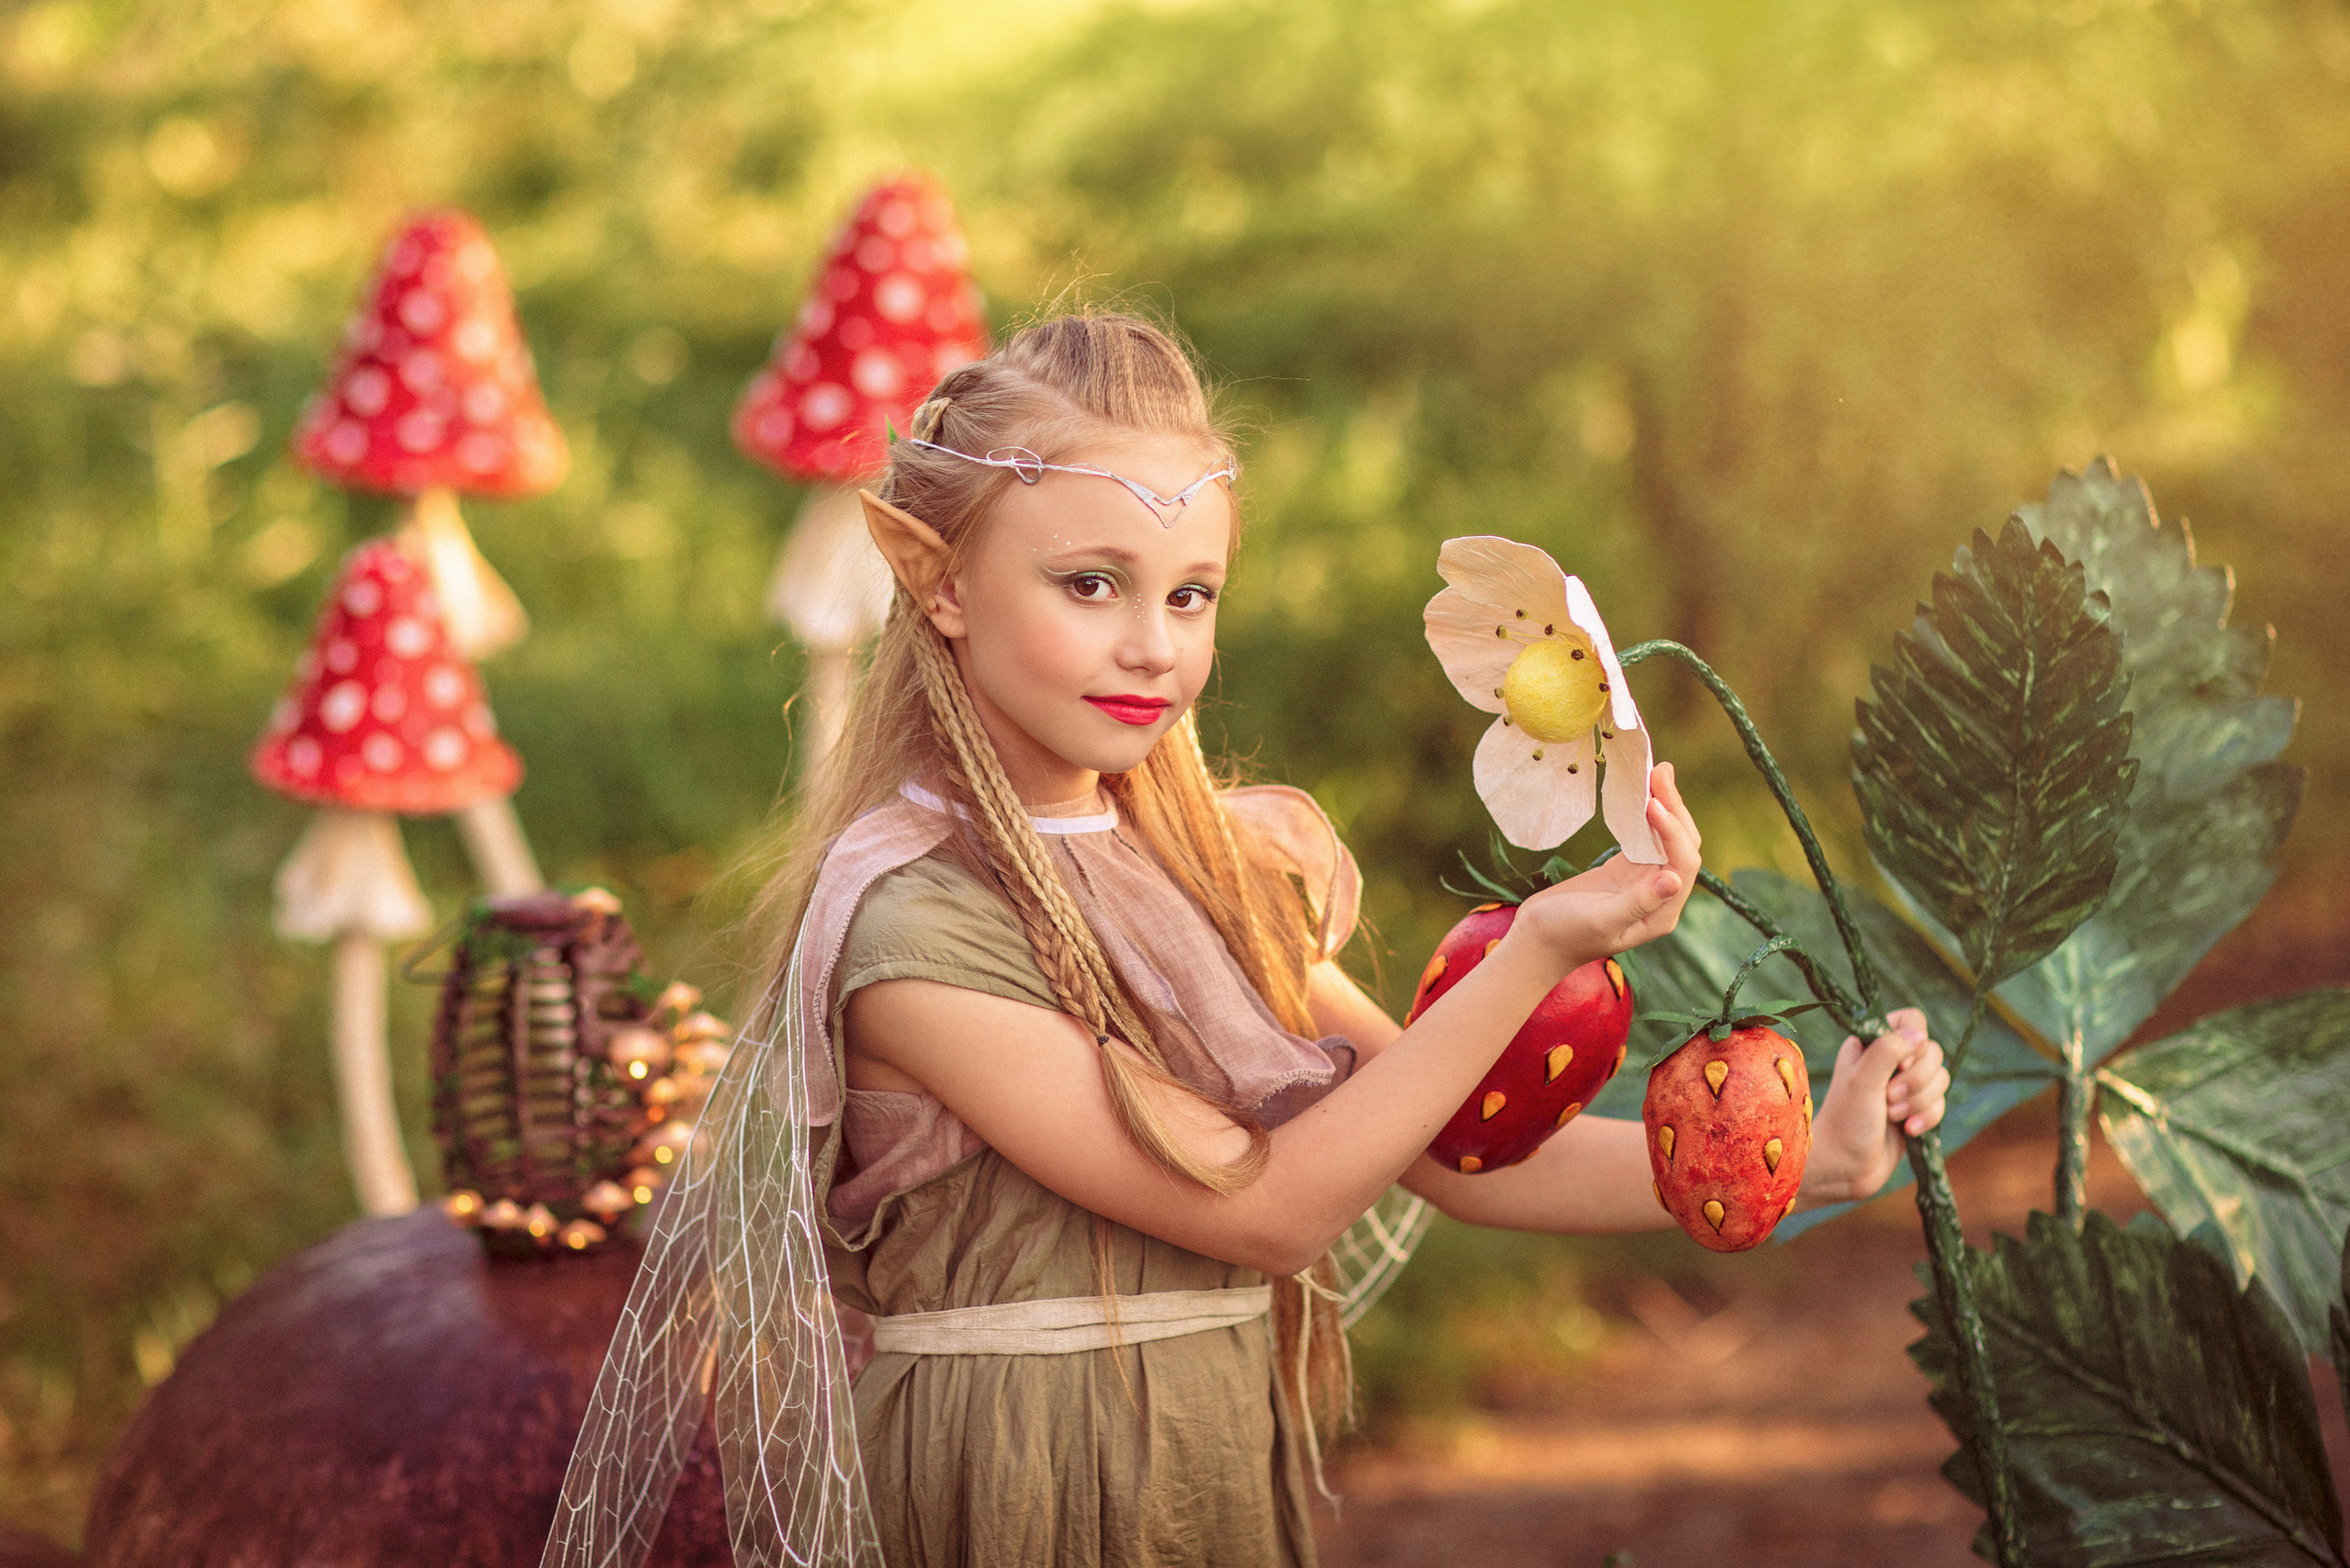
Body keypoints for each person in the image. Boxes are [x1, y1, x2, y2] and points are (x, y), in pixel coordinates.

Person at [544, 310, 1948, 1568]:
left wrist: (1803, 1162)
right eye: (1091, 584)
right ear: (943, 581)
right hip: (1020, 1481)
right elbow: (1273, 1208)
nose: (1154, 644)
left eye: (1190, 593)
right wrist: (1530, 951)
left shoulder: (1206, 867)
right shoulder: (918, 924)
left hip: (1212, 1464)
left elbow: (1446, 1153)